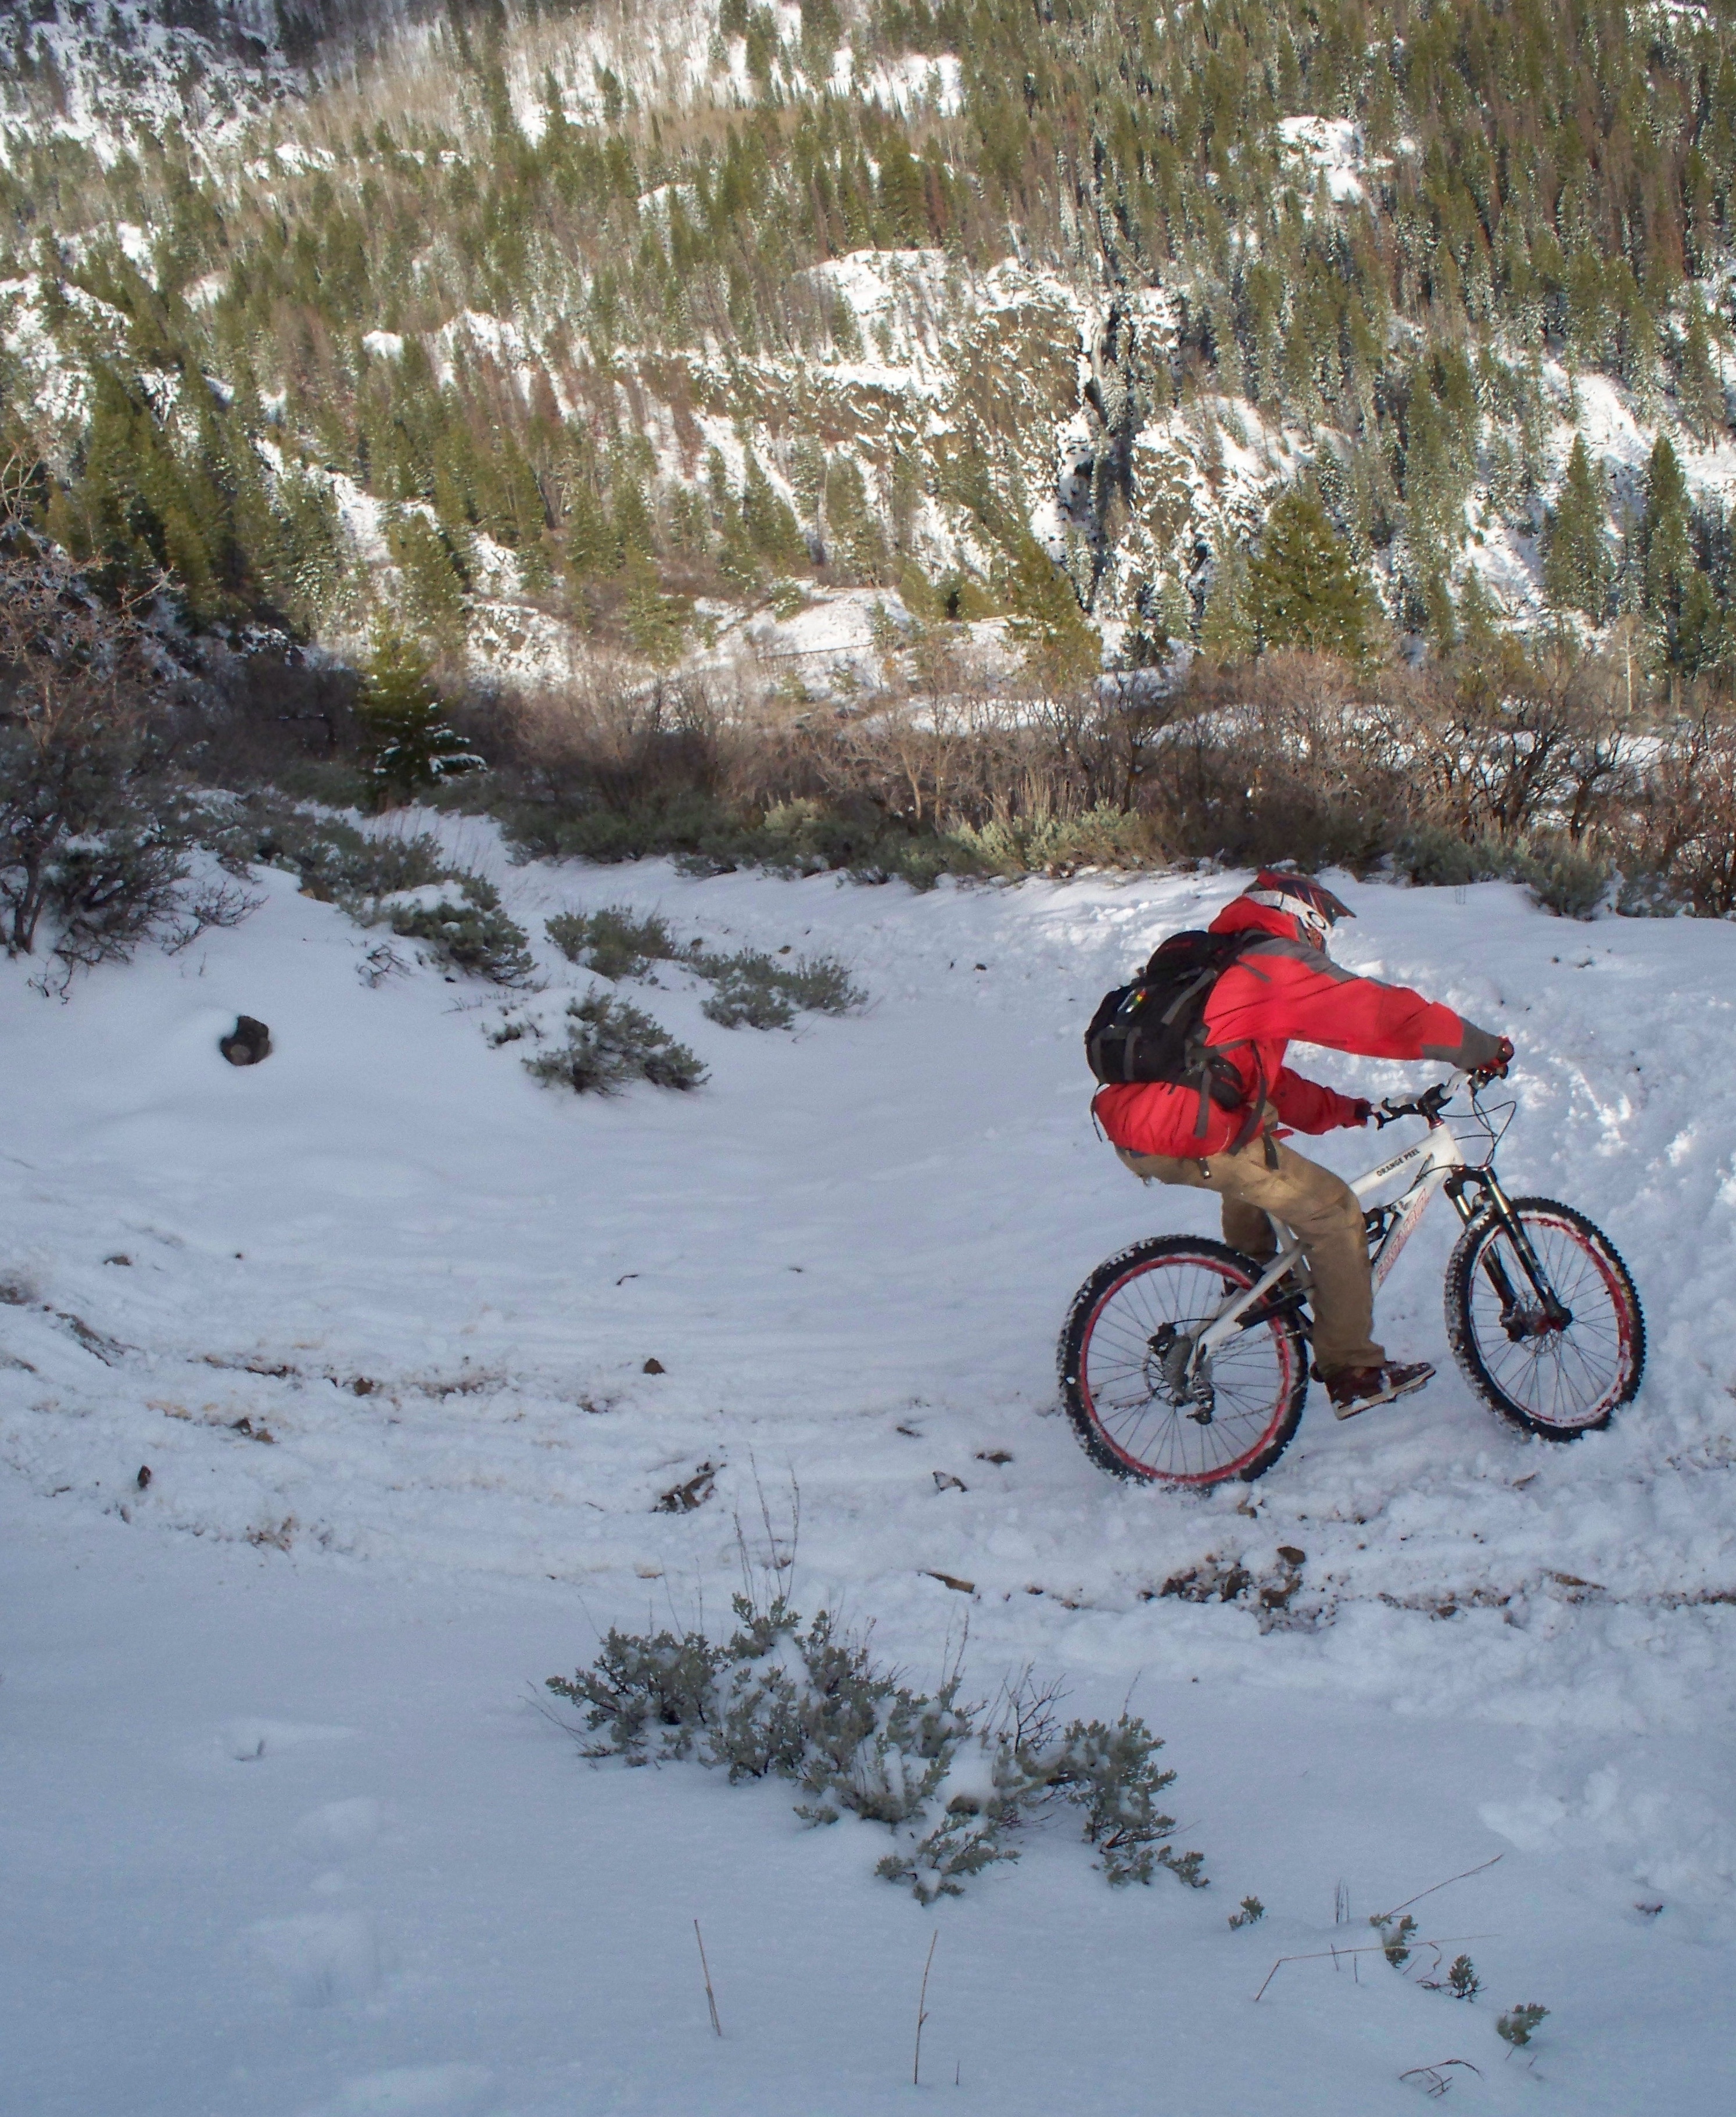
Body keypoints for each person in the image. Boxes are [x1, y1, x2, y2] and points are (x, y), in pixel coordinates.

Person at [1093, 869, 1511, 1420]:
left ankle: (1255, 1278)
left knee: (1254, 1135)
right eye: (1324, 927)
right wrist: (1478, 1047)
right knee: (1335, 1212)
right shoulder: (1272, 961)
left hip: (1155, 1121)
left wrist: (1353, 1110)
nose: (1325, 940)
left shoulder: (1225, 962)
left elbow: (1261, 1083)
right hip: (1186, 1126)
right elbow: (1380, 1014)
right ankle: (1354, 1369)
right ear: (1303, 916)